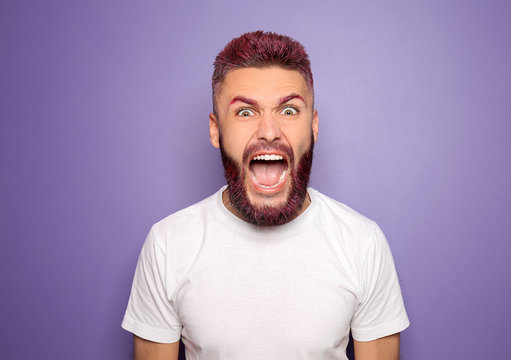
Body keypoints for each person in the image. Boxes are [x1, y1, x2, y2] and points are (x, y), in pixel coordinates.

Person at [121, 30, 409, 360]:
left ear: (313, 126)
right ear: (216, 130)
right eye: (245, 112)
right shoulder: (167, 245)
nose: (269, 132)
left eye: (288, 111)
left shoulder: (363, 242)